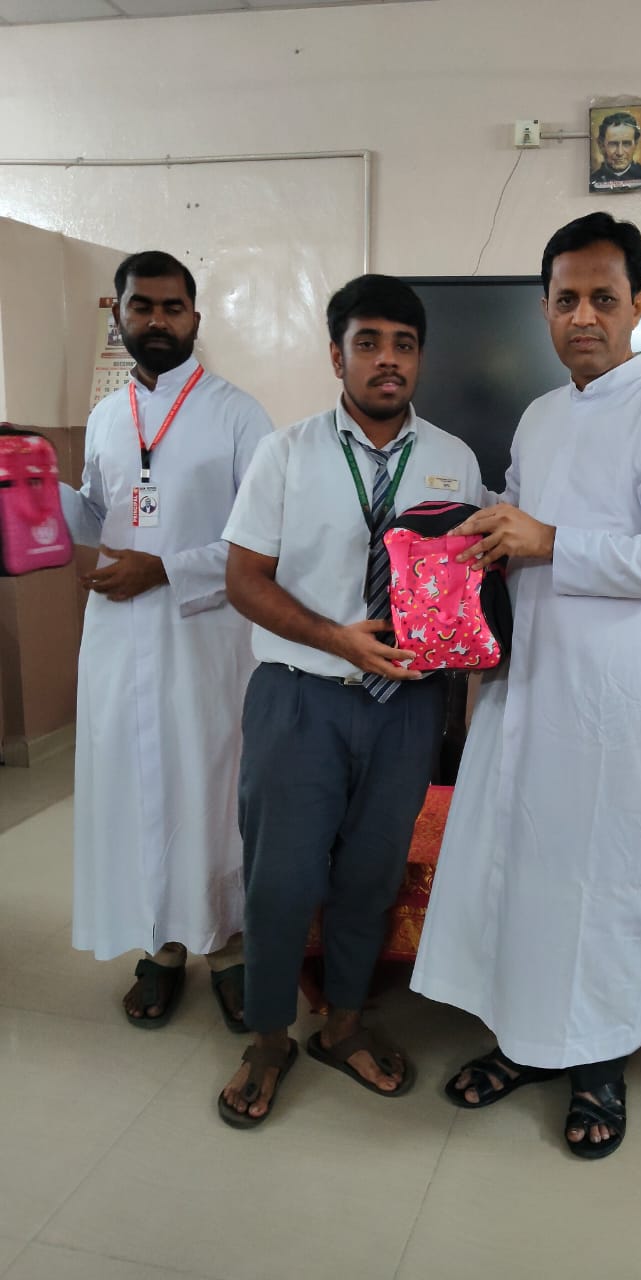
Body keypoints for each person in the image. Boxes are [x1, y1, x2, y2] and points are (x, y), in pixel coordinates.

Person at [411, 212, 641, 1160]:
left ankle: (599, 1064)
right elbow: (519, 524)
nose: (582, 316)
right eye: (565, 299)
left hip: (621, 696)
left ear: (637, 305)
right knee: (530, 867)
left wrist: (549, 541)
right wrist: (473, 533)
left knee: (607, 875)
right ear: (544, 309)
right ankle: (525, 1040)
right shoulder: (541, 416)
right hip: (530, 679)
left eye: (602, 297)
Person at [217, 274, 484, 1128]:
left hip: (405, 707)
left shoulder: (455, 460)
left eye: (403, 345)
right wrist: (337, 639)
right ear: (337, 357)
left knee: (371, 875)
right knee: (280, 877)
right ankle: (268, 1036)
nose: (386, 360)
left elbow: (464, 582)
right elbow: (243, 581)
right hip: (299, 698)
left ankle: (342, 1023)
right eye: (368, 343)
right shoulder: (286, 453)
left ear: (420, 359)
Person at [61, 250, 274, 1031]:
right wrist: (36, 489)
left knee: (212, 788)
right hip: (119, 637)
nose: (157, 320)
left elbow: (265, 538)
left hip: (206, 635)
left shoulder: (239, 415)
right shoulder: (107, 417)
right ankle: (162, 946)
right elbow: (98, 512)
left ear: (194, 317)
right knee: (135, 785)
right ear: (119, 315)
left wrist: (165, 570)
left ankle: (230, 950)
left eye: (171, 307)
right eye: (141, 306)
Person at [589, 111, 641, 189]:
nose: (620, 153)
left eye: (626, 144)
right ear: (601, 145)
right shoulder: (592, 181)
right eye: (613, 144)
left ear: (635, 144)